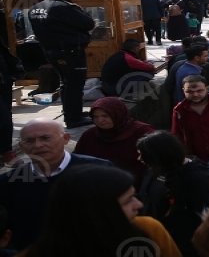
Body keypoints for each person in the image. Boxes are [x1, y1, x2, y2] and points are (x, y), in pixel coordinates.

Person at [21, 164, 182, 257]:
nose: (138, 205)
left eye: (134, 196)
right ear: (94, 209)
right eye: (127, 201)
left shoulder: (149, 229)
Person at [0, 119, 112, 250]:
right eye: (29, 141)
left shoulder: (100, 170)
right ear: (22, 146)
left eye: (45, 138)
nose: (38, 145)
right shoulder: (9, 182)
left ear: (65, 138)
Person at [137, 131, 209, 257]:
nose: (140, 159)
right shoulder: (156, 171)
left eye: (144, 156)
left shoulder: (198, 179)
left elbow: (208, 217)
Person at [27, 0, 95, 128]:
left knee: (66, 83)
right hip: (70, 51)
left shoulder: (36, 8)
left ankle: (71, 112)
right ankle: (73, 118)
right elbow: (89, 23)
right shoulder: (63, 7)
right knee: (75, 85)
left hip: (51, 51)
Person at [73, 97, 155, 187]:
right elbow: (77, 162)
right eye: (96, 117)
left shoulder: (142, 132)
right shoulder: (90, 135)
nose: (100, 120)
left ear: (117, 114)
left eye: (105, 116)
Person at [0, 37, 23, 165]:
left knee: (6, 117)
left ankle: (6, 151)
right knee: (3, 117)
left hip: (3, 82)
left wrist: (13, 70)